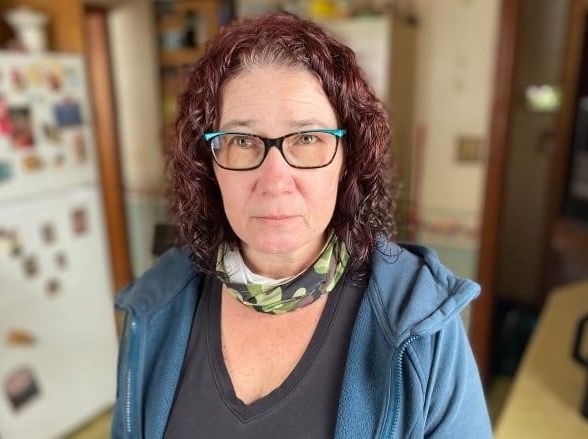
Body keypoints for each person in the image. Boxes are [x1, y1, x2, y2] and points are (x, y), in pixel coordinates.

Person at [112, 12, 491, 439]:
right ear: (208, 166)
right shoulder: (154, 307)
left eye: (307, 138)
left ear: (348, 159)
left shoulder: (424, 324)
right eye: (241, 140)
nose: (275, 181)